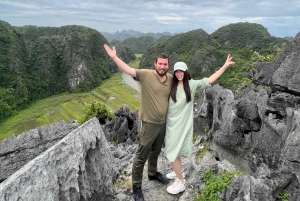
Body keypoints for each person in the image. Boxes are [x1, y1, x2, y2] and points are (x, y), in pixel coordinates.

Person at [103, 44, 172, 201]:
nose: (162, 66)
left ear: (168, 65)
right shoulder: (146, 75)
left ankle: (153, 173)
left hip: (162, 123)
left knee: (156, 151)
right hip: (148, 123)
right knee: (142, 155)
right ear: (155, 64)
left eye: (165, 64)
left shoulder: (170, 79)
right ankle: (136, 187)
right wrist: (114, 57)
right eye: (160, 64)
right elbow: (128, 70)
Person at [165, 55, 235, 195]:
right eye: (176, 71)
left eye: (181, 71)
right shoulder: (169, 85)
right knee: (174, 150)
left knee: (171, 154)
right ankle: (178, 170)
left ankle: (181, 182)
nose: (179, 74)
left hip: (182, 125)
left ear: (186, 72)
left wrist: (224, 66)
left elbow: (210, 79)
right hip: (170, 124)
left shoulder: (191, 84)